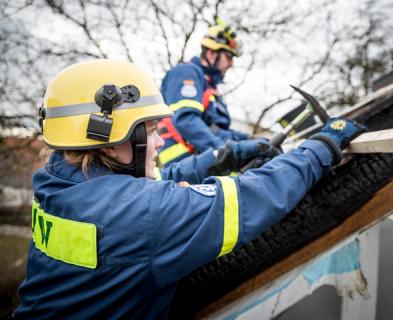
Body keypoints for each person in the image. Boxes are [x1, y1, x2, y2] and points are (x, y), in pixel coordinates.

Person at [14, 59, 365, 319]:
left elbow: (146, 189)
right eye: (149, 130)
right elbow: (253, 197)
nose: (159, 142)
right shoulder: (143, 213)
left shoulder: (56, 180)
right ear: (107, 143)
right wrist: (320, 148)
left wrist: (225, 155)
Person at [159, 19, 249, 167]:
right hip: (184, 165)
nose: (232, 63)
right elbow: (186, 120)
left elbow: (216, 130)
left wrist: (248, 141)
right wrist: (226, 153)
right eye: (229, 57)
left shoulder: (208, 86)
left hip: (201, 160)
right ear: (212, 53)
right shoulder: (187, 73)